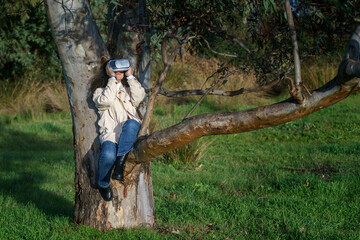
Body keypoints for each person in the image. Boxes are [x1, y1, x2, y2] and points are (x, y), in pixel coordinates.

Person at [93, 61, 146, 201]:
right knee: (107, 156)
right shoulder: (99, 92)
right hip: (111, 134)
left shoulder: (127, 91)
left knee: (132, 123)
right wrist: (112, 79)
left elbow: (140, 97)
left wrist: (129, 76)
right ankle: (103, 184)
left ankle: (119, 165)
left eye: (121, 71)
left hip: (129, 134)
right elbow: (107, 101)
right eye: (115, 70)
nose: (118, 73)